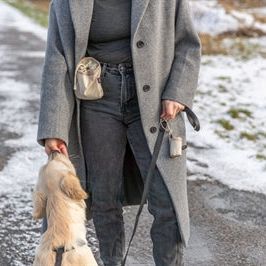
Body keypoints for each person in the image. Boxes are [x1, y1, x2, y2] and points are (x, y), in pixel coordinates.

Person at [37, 0, 201, 265]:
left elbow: (187, 44)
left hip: (153, 100)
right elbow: (57, 56)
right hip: (96, 97)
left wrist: (177, 92)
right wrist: (53, 127)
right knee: (103, 198)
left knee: (167, 199)